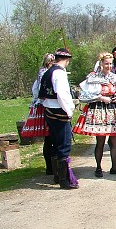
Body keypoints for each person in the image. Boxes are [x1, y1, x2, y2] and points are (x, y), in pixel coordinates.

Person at [73, 52, 116, 177]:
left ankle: (114, 167)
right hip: (99, 109)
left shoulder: (115, 77)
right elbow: (84, 95)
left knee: (115, 139)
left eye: (110, 64)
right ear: (101, 64)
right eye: (106, 64)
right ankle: (98, 167)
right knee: (100, 140)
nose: (108, 66)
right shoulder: (93, 78)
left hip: (113, 109)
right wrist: (100, 97)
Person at [38, 48, 78, 190]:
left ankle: (57, 175)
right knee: (64, 145)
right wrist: (70, 111)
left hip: (49, 111)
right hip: (59, 112)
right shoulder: (59, 73)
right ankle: (65, 180)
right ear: (67, 60)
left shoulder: (47, 72)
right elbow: (63, 95)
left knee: (55, 144)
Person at [21, 53, 55, 175]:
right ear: (48, 63)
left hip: (44, 105)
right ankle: (50, 167)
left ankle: (51, 167)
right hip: (44, 107)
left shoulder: (44, 73)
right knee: (49, 137)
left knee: (50, 138)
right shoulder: (45, 73)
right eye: (53, 63)